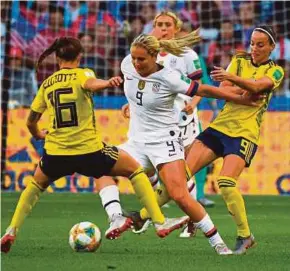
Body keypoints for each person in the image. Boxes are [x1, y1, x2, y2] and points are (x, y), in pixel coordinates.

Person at [0, 37, 190, 254]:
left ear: (57, 58)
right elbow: (90, 84)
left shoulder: (47, 84)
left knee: (34, 186)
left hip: (55, 152)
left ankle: (10, 230)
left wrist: (38, 133)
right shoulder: (84, 73)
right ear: (79, 57)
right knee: (134, 170)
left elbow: (30, 120)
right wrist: (107, 83)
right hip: (88, 151)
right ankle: (159, 221)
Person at [98, 28, 261, 254]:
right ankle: (117, 217)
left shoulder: (169, 77)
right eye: (134, 57)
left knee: (180, 195)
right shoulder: (126, 64)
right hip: (135, 143)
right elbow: (137, 92)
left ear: (154, 57)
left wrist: (238, 99)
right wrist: (131, 104)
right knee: (99, 165)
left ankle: (219, 245)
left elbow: (204, 89)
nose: (136, 62)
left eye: (141, 59)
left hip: (165, 144)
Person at [185, 25, 284, 255]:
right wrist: (244, 92)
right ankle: (144, 217)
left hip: (245, 133)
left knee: (226, 182)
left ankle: (245, 235)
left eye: (260, 45)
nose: (254, 48)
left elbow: (258, 86)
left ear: (271, 47)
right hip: (220, 127)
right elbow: (224, 91)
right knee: (180, 175)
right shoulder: (239, 60)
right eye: (252, 43)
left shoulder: (276, 71)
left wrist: (233, 79)